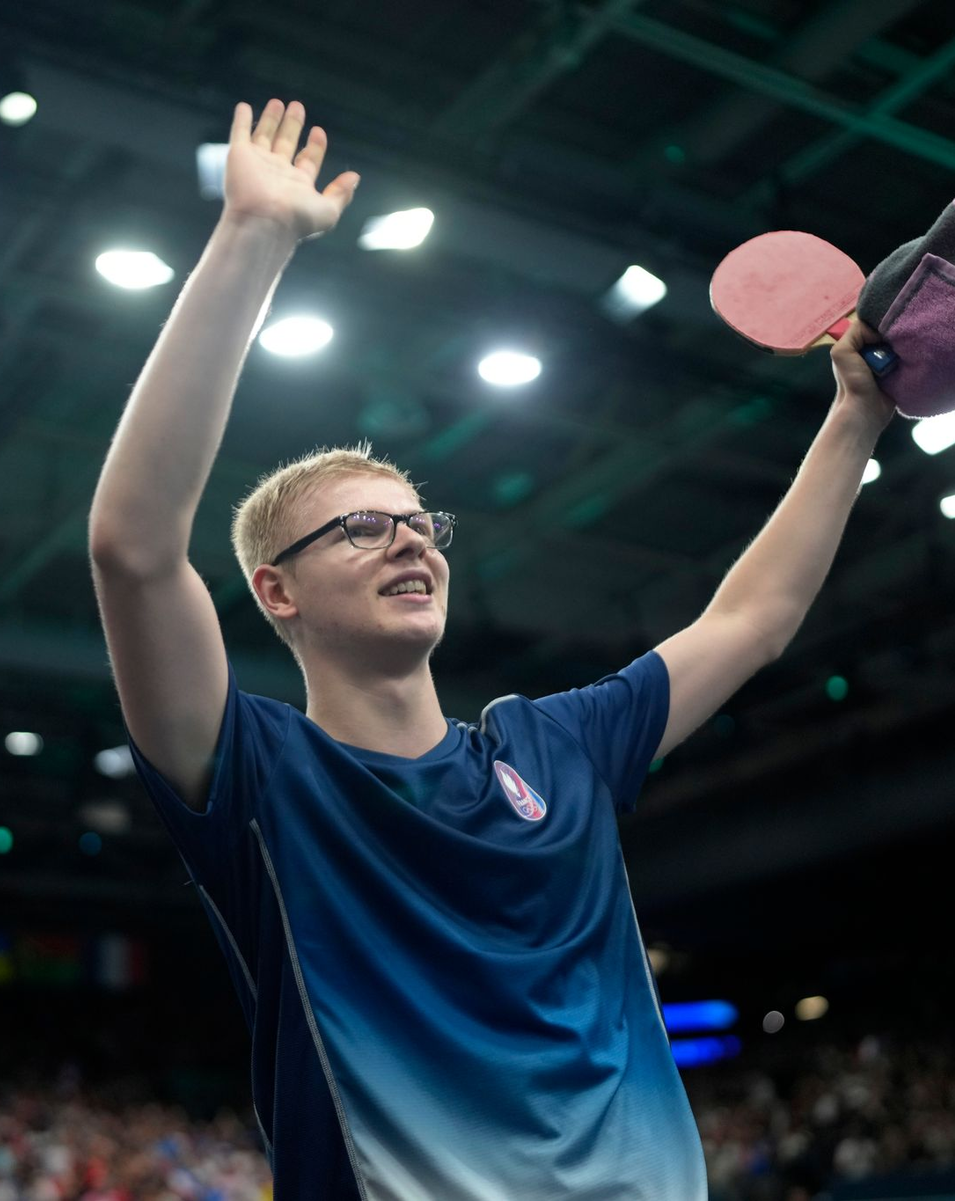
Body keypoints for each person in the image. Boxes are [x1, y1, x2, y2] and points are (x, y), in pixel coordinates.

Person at [88, 98, 894, 1201]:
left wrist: (854, 416)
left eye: (421, 522)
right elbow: (133, 549)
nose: (410, 540)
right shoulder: (257, 779)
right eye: (361, 528)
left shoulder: (557, 745)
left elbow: (751, 622)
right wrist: (254, 240)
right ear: (276, 591)